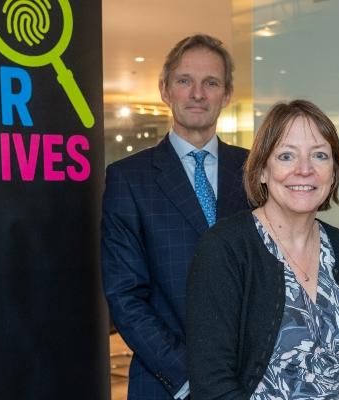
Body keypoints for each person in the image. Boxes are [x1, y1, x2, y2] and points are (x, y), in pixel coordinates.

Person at [187, 100, 339, 399]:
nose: (304, 170)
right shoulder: (225, 248)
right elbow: (212, 380)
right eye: (286, 156)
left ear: (334, 171)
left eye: (319, 156)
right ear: (261, 170)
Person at [101, 34, 249, 400]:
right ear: (165, 89)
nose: (197, 93)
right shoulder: (129, 179)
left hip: (251, 380)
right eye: (185, 81)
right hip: (166, 383)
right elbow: (125, 296)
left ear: (226, 94)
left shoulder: (254, 170)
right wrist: (190, 377)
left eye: (211, 82)